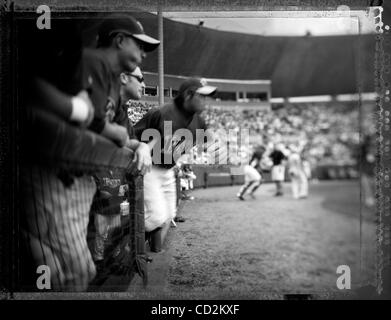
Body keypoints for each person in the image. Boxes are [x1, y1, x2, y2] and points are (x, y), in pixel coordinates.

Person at [134, 78, 218, 249]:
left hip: (168, 169)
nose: (205, 100)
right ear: (188, 95)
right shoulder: (161, 113)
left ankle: (150, 253)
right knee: (156, 217)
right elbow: (133, 138)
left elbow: (204, 144)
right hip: (149, 169)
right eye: (201, 96)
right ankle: (131, 249)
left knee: (169, 215)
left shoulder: (199, 122)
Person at [91, 67, 150, 267]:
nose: (143, 84)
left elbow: (128, 142)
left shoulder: (122, 111)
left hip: (112, 199)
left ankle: (110, 259)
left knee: (113, 235)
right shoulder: (100, 99)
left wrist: (141, 146)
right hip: (70, 180)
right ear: (123, 78)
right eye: (140, 78)